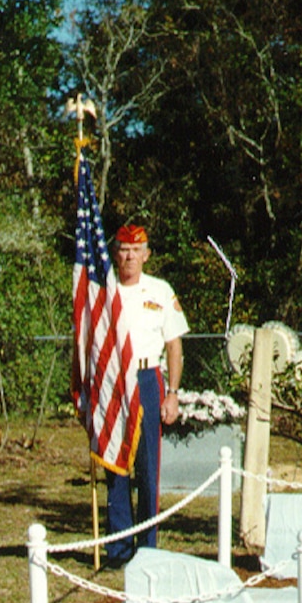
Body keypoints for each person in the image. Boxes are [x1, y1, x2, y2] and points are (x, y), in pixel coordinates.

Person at [104, 224, 189, 564]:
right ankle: (120, 548)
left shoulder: (160, 290)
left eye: (136, 250)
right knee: (116, 463)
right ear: (116, 253)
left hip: (148, 378)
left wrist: (172, 392)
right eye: (123, 249)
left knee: (148, 466)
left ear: (146, 255)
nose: (129, 256)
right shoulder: (104, 291)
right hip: (113, 381)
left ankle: (148, 550)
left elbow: (174, 346)